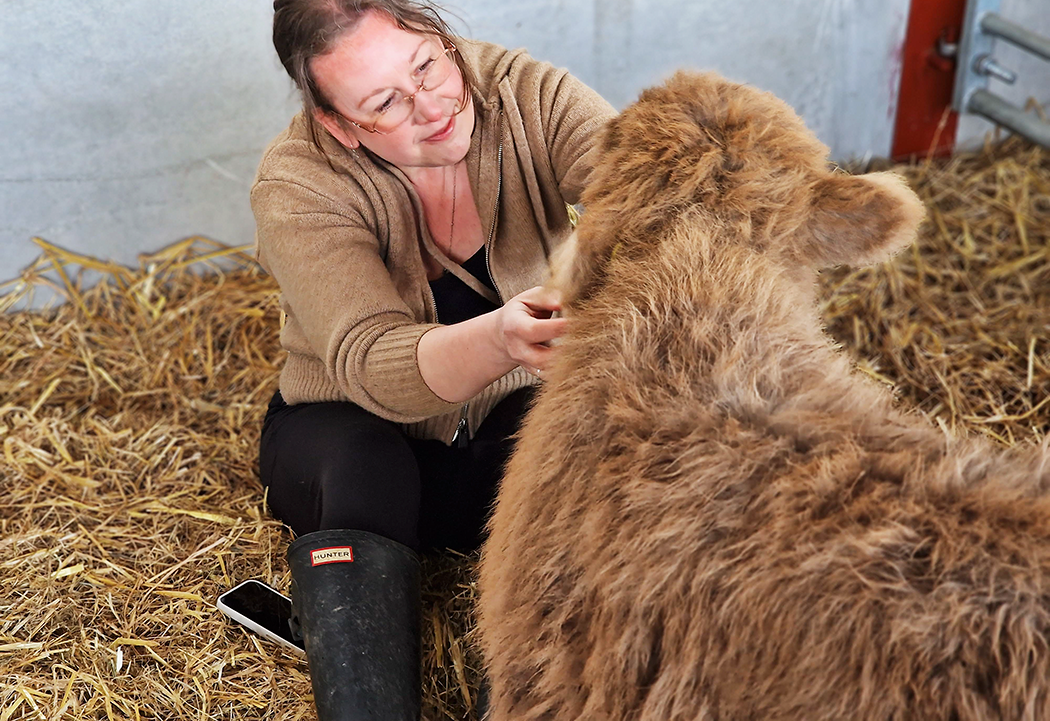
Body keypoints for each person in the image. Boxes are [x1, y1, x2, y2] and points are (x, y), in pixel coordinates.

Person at [251, 0, 615, 718]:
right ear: (338, 126)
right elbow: (368, 357)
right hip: (350, 432)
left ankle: (513, 704)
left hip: (501, 436)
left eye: (427, 64)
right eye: (384, 103)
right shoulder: (296, 183)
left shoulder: (528, 95)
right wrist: (501, 338)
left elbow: (637, 182)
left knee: (579, 441)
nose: (434, 106)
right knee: (364, 462)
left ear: (441, 37)